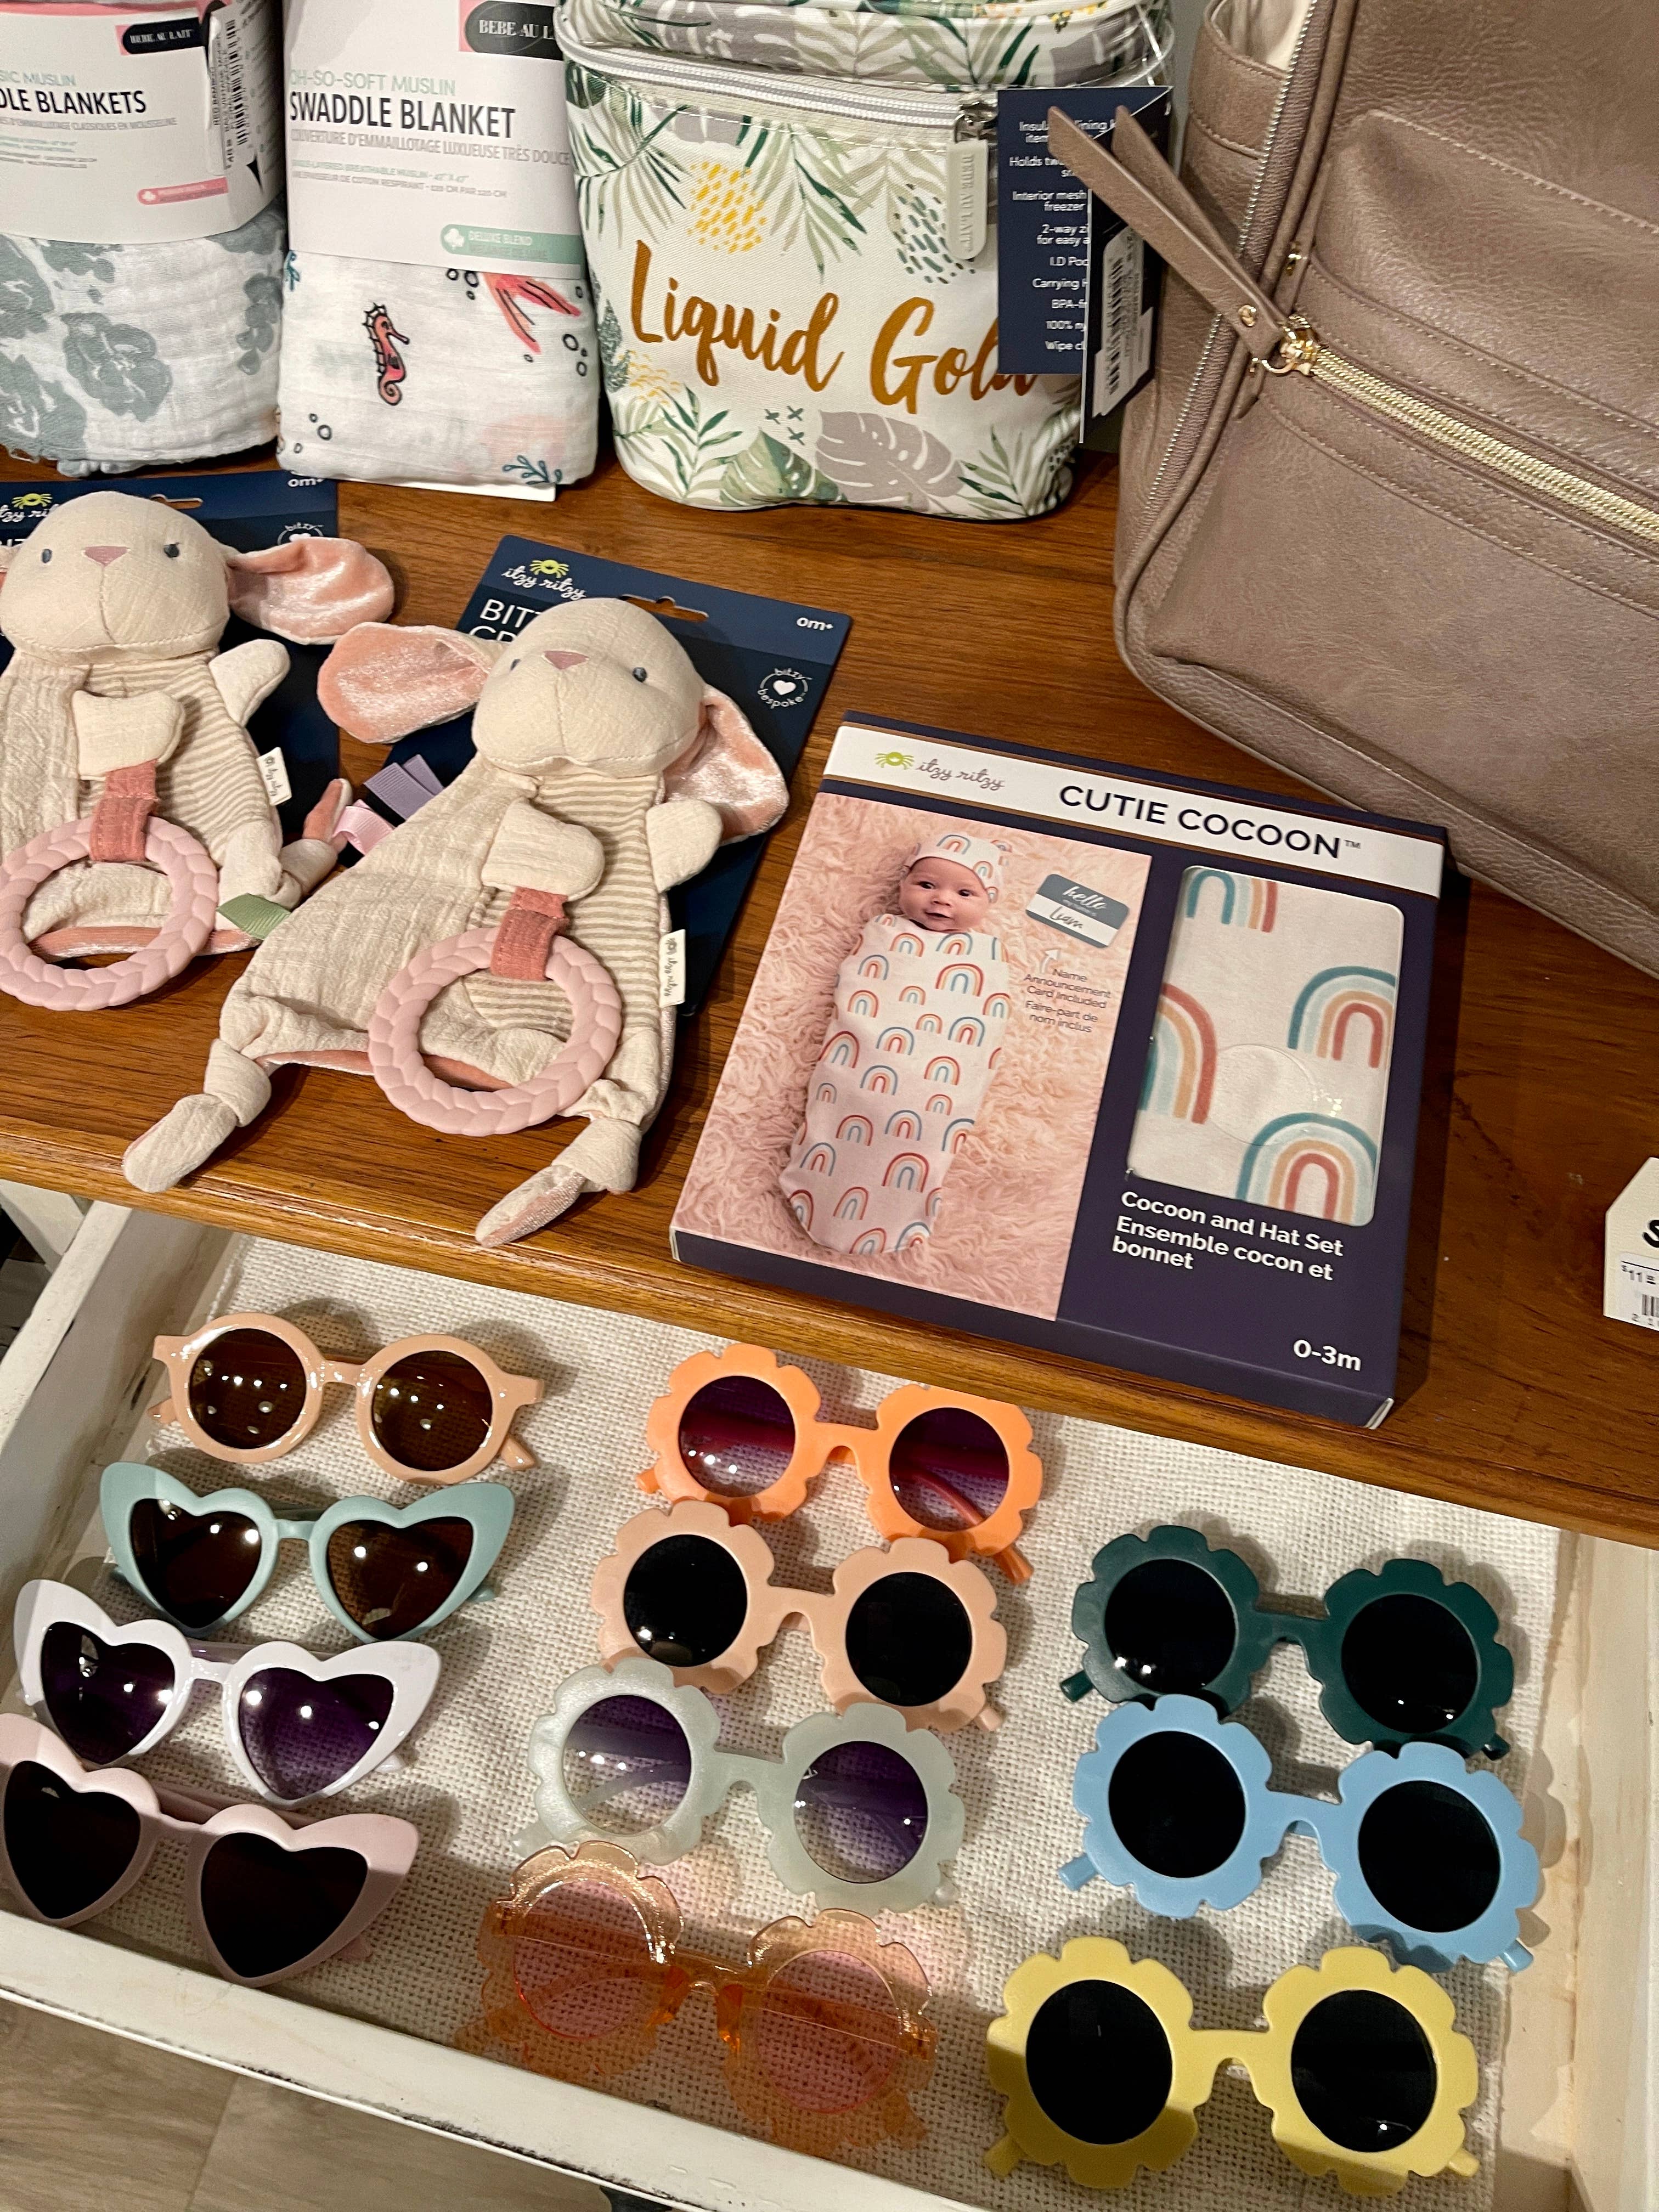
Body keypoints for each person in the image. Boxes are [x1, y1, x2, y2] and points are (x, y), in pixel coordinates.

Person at [781, 831, 1012, 1257]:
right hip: (866, 1060)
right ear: (902, 885)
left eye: (965, 893)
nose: (942, 899)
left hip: (936, 1082)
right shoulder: (884, 932)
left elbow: (985, 1023)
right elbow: (856, 991)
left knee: (925, 1134)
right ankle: (820, 1183)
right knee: (847, 1110)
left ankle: (901, 1207)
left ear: (988, 901)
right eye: (926, 884)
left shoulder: (987, 954)